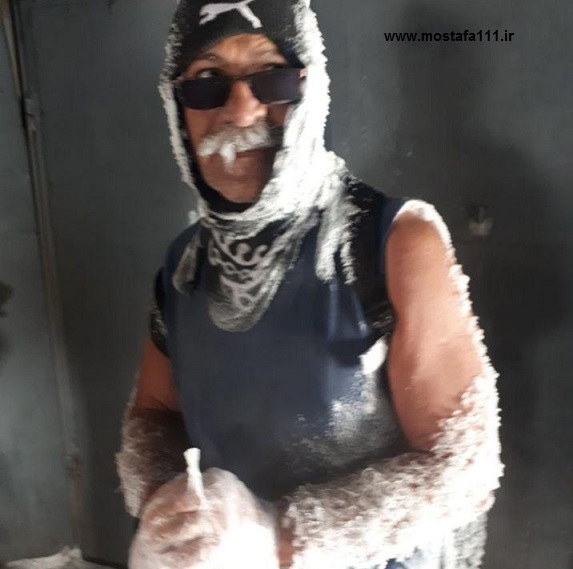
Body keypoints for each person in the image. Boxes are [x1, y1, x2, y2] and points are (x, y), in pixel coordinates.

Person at [116, 1, 504, 568]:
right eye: (207, 80)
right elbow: (153, 414)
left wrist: (276, 536)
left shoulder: (392, 243)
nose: (240, 110)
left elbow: (464, 466)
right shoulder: (184, 267)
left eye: (271, 76)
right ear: (178, 107)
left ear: (310, 88)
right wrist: (165, 509)